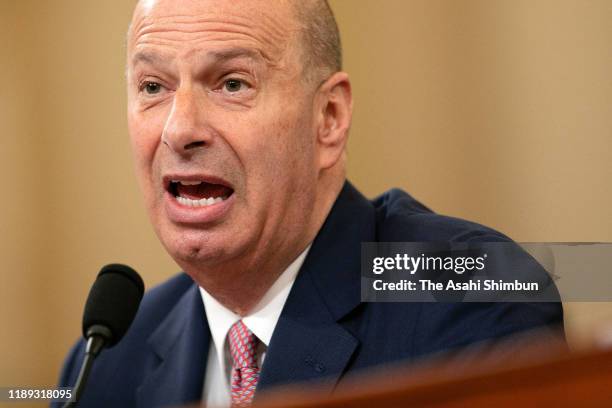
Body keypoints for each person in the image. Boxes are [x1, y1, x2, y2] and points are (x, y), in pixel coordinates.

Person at [55, 0, 563, 407]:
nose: (180, 130)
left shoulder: (469, 293)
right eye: (152, 87)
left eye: (232, 83)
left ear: (329, 118)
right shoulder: (104, 363)